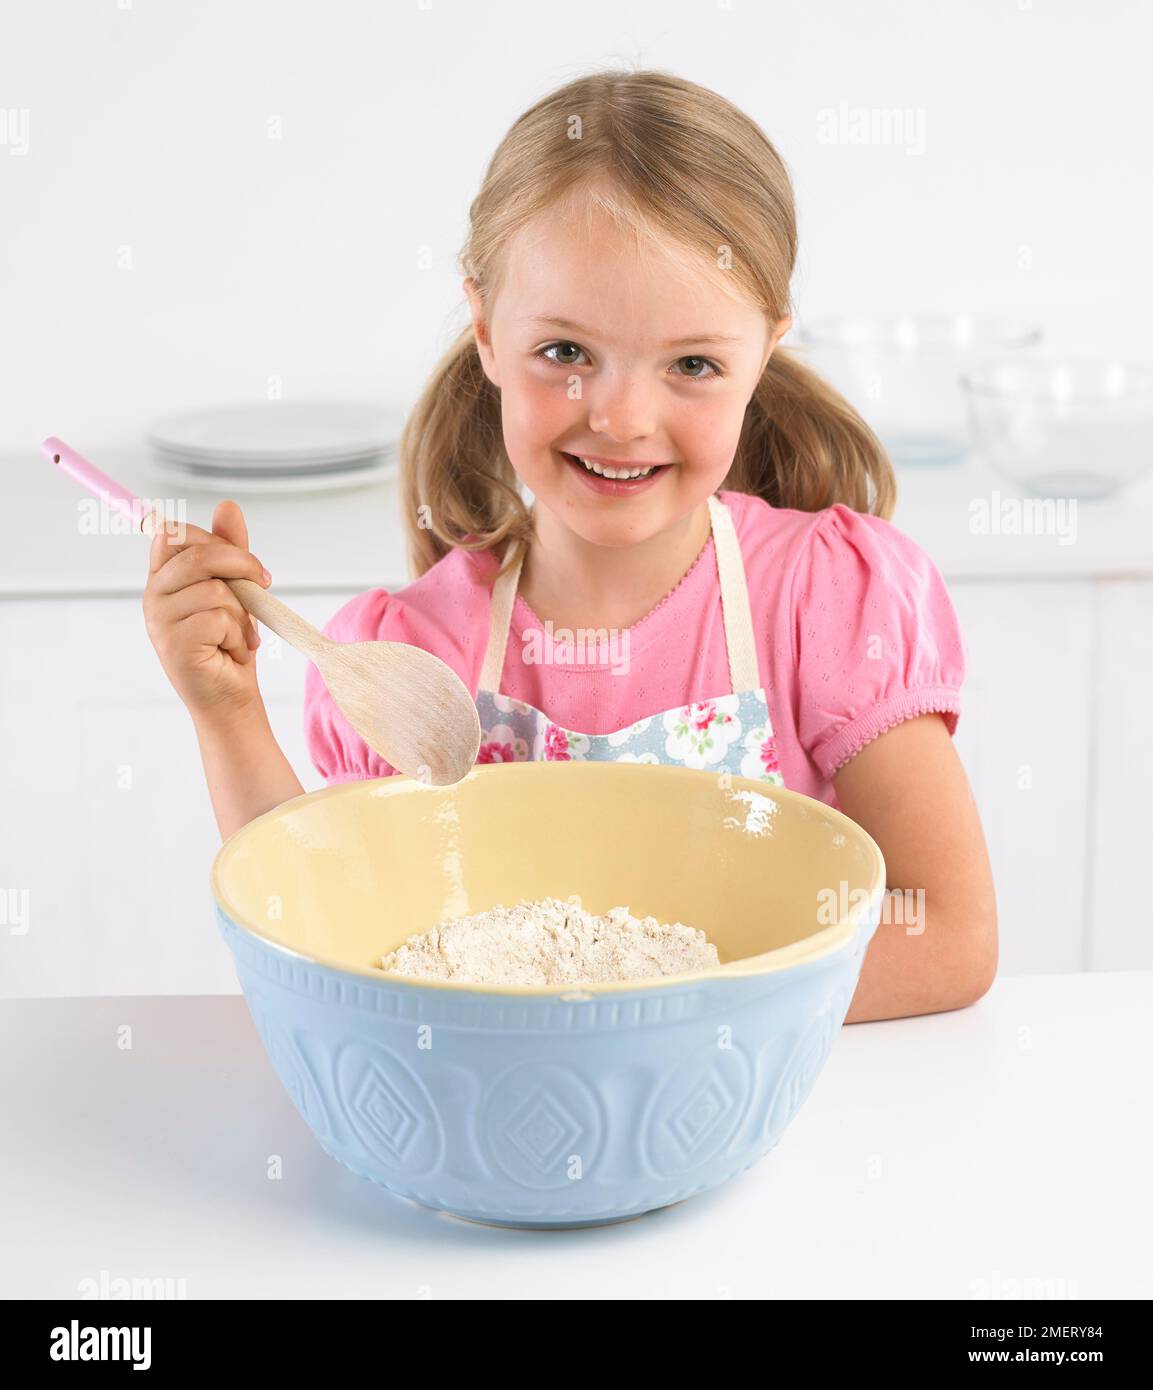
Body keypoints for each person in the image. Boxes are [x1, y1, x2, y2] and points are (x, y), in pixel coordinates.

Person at [143, 69, 997, 1022]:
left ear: (763, 353)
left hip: (748, 1122)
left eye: (693, 364)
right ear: (486, 333)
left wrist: (641, 1019)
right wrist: (226, 713)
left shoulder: (824, 600)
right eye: (565, 353)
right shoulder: (418, 657)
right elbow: (329, 935)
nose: (623, 416)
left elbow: (946, 932)